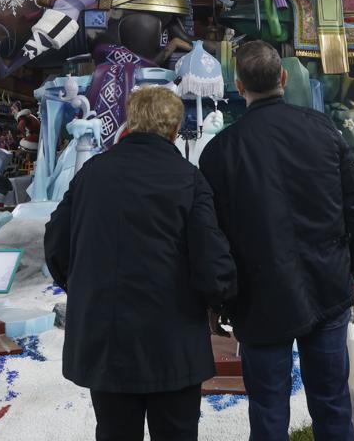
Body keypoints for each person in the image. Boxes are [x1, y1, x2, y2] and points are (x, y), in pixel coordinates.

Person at [199, 41, 354, 441]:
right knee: (332, 402)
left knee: (268, 409)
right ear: (283, 78)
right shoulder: (323, 129)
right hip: (327, 286)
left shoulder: (220, 151)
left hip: (259, 297)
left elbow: (212, 236)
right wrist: (349, 269)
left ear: (238, 86)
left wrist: (222, 297)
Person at [45, 85, 236, 441]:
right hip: (172, 339)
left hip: (106, 335)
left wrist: (83, 287)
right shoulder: (189, 179)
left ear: (130, 123)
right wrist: (222, 301)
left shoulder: (91, 174)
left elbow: (56, 243)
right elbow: (211, 259)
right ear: (175, 130)